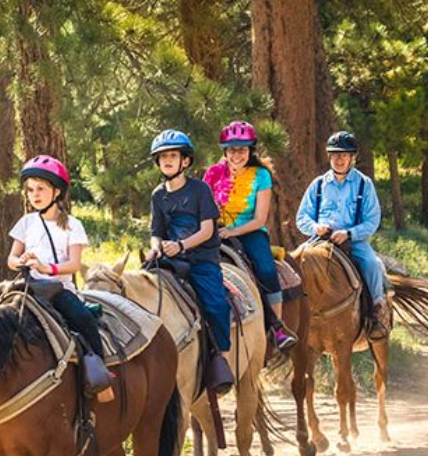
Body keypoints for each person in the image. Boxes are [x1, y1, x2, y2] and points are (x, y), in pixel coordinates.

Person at [8, 155, 115, 402]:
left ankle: (100, 378)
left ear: (57, 191)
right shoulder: (25, 223)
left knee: (84, 320)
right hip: (26, 288)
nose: (34, 195)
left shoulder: (72, 225)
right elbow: (11, 258)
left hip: (58, 291)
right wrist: (20, 261)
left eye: (41, 189)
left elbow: (75, 264)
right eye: (30, 189)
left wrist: (47, 269)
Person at [145, 129, 234, 388]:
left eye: (173, 156)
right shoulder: (157, 195)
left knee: (216, 303)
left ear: (186, 161)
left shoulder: (200, 190)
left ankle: (222, 360)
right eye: (162, 157)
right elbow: (156, 232)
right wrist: (156, 248)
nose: (167, 161)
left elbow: (207, 230)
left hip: (201, 258)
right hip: (171, 258)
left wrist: (181, 244)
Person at [203, 121, 297, 352]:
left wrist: (232, 231)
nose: (238, 155)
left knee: (265, 268)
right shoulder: (212, 174)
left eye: (243, 149)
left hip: (250, 231)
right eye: (233, 149)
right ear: (224, 151)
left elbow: (260, 218)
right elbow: (203, 207)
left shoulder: (261, 175)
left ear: (250, 151)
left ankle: (277, 328)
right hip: (215, 233)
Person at [296, 131, 386, 339]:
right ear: (329, 157)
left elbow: (372, 220)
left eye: (344, 155)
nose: (339, 159)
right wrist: (315, 227)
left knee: (371, 264)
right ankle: (292, 316)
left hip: (352, 241)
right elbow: (302, 218)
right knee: (294, 264)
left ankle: (376, 311)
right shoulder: (318, 184)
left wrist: (349, 233)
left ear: (352, 158)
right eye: (335, 155)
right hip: (319, 240)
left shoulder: (364, 184)